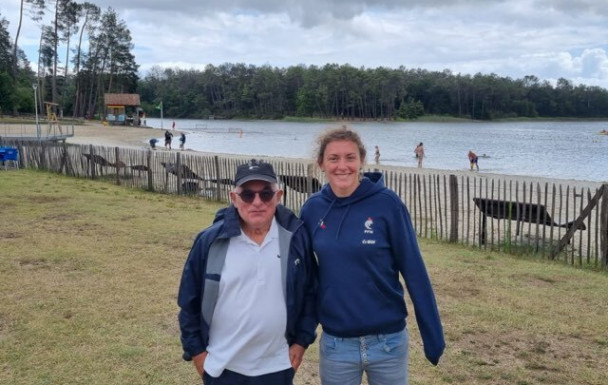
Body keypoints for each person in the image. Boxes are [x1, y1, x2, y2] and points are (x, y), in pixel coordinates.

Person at [300, 127, 445, 385]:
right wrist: (300, 333)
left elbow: (414, 270)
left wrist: (433, 335)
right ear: (321, 163)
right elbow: (304, 277)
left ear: (362, 161)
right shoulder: (312, 209)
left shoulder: (387, 204)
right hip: (337, 343)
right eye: (333, 158)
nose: (342, 166)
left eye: (350, 157)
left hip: (387, 341)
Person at [177, 159, 317, 385]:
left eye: (266, 194)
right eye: (248, 195)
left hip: (278, 366)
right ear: (234, 198)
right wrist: (197, 354)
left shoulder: (295, 238)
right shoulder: (210, 242)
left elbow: (311, 293)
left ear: (278, 196)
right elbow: (189, 303)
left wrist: (301, 341)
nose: (257, 202)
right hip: (223, 367)